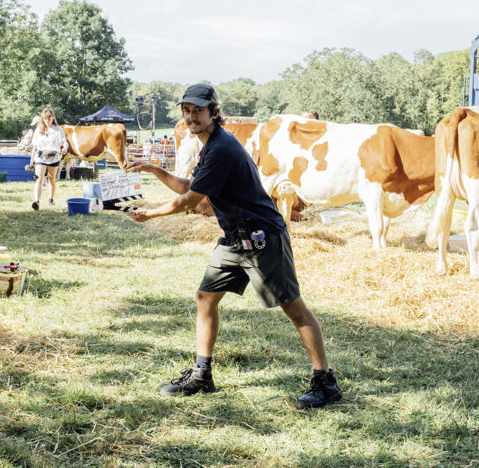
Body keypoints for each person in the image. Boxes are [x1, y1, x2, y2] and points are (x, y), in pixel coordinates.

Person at [126, 83, 342, 409]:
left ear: (214, 112)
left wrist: (151, 214)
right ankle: (202, 373)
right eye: (186, 110)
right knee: (205, 298)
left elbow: (190, 201)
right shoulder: (209, 146)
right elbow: (191, 186)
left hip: (261, 238)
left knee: (294, 308)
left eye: (198, 110)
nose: (191, 116)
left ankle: (326, 382)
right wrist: (155, 169)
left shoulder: (222, 148)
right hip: (233, 239)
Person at [29, 108, 68, 210]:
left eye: (49, 118)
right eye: (45, 118)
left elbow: (65, 142)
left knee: (51, 179)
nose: (47, 120)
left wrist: (65, 148)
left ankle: (51, 199)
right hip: (40, 157)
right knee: (39, 178)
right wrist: (31, 162)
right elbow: (34, 147)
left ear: (53, 118)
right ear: (43, 119)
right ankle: (37, 202)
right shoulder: (38, 130)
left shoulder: (58, 129)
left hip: (53, 157)